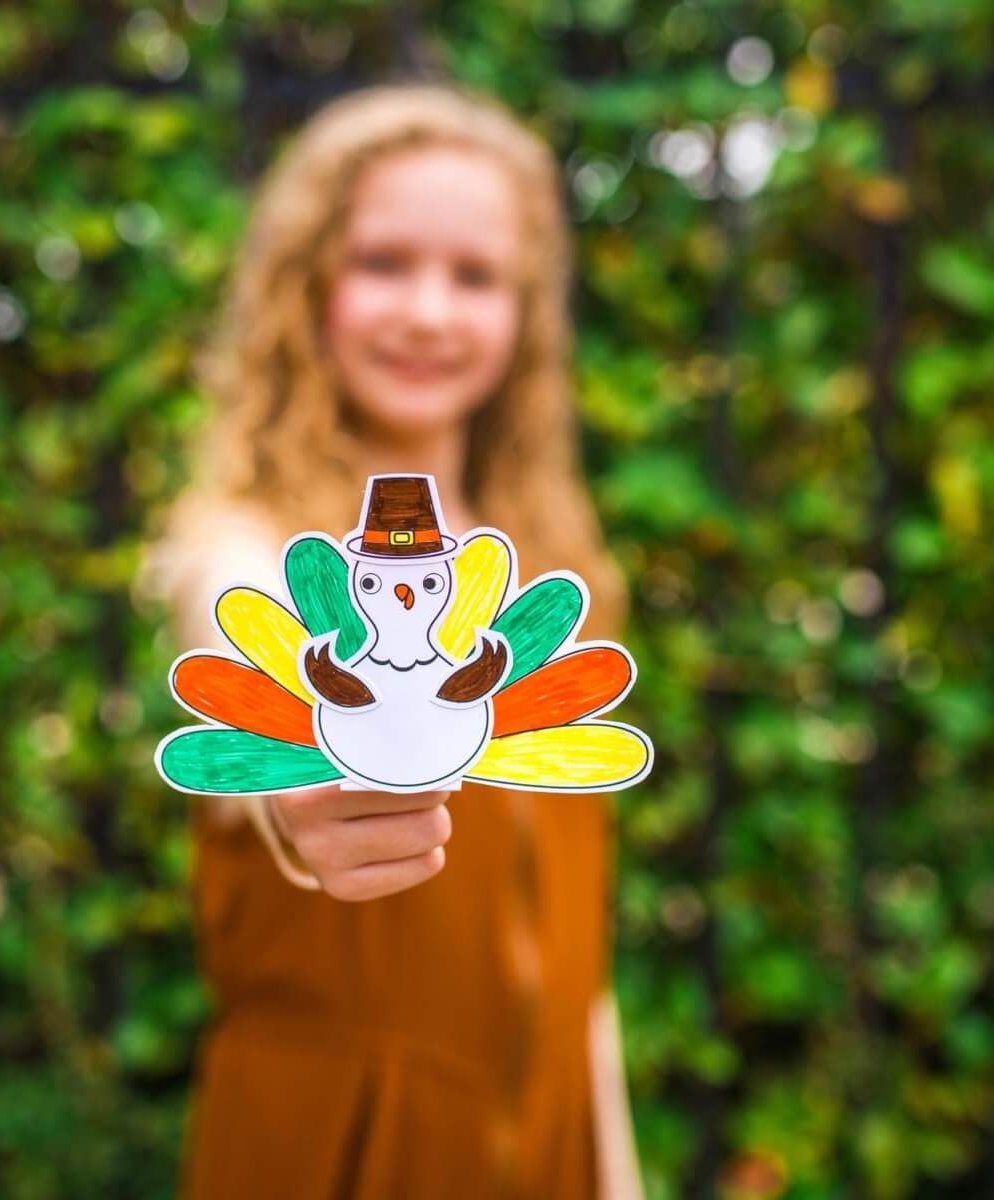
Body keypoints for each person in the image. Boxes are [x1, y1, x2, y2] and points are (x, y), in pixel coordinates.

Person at [141, 80, 644, 1200]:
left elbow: (577, 971)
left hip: (549, 1148)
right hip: (331, 1153)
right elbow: (257, 723)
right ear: (306, 284)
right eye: (382, 263)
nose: (428, 310)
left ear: (525, 313)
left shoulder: (554, 568)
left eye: (473, 276)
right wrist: (293, 796)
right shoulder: (244, 539)